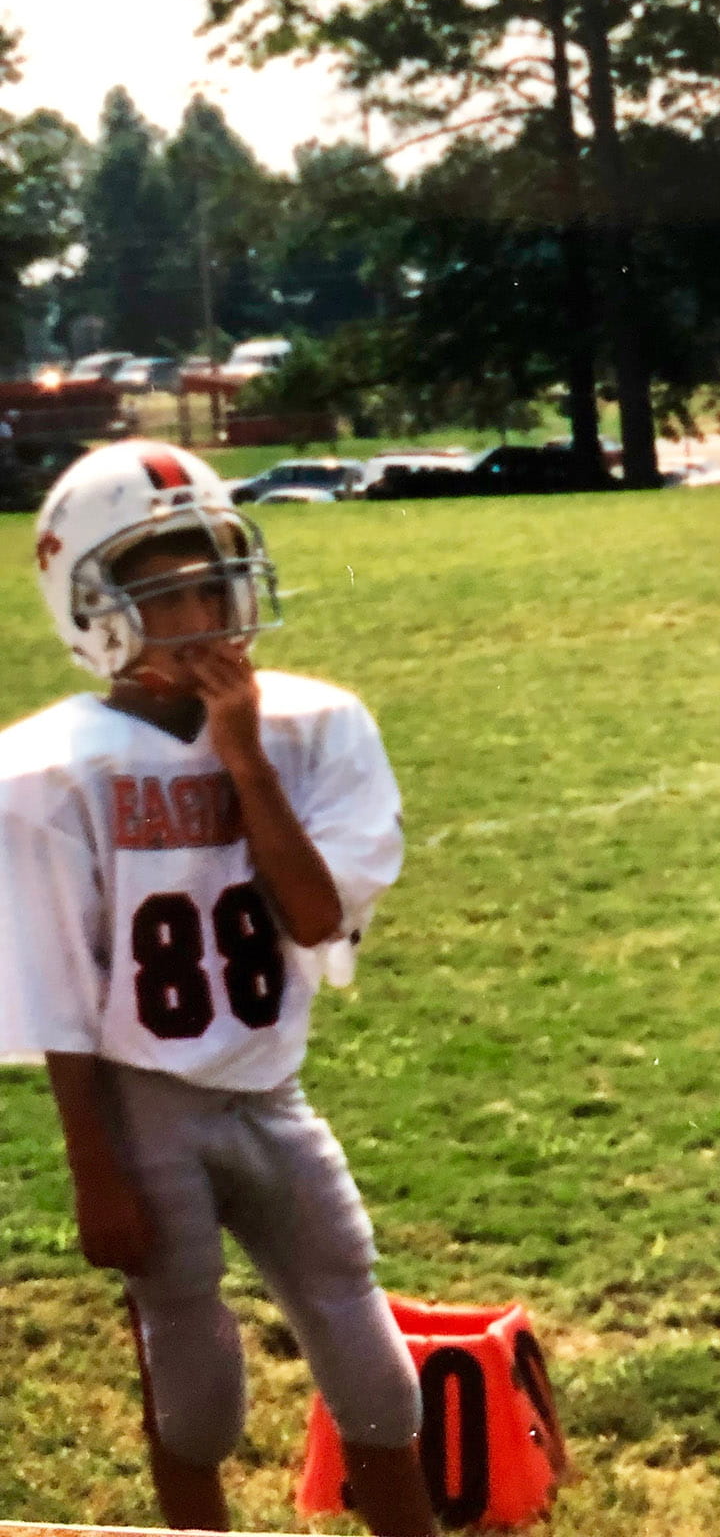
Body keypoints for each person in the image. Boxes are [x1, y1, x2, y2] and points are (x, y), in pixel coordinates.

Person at [0, 439, 435, 1537]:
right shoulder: (48, 770)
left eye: (218, 575)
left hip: (272, 1088)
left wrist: (241, 758)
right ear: (95, 603)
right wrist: (94, 1167)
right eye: (173, 588)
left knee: (371, 1358)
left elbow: (314, 914)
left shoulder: (311, 724)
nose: (211, 608)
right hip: (145, 1102)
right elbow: (57, 986)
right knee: (192, 1380)